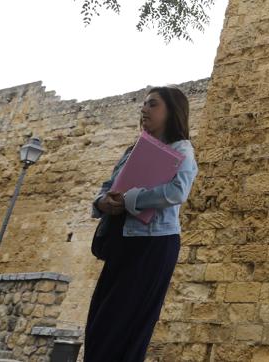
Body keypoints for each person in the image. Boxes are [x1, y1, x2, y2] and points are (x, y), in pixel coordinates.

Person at [83, 86, 198, 362]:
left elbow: (177, 192)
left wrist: (130, 199)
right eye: (144, 104)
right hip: (122, 242)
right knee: (101, 322)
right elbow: (108, 186)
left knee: (127, 325)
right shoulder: (132, 149)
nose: (144, 109)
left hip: (153, 245)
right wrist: (102, 202)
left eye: (153, 104)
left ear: (172, 111)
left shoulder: (181, 148)